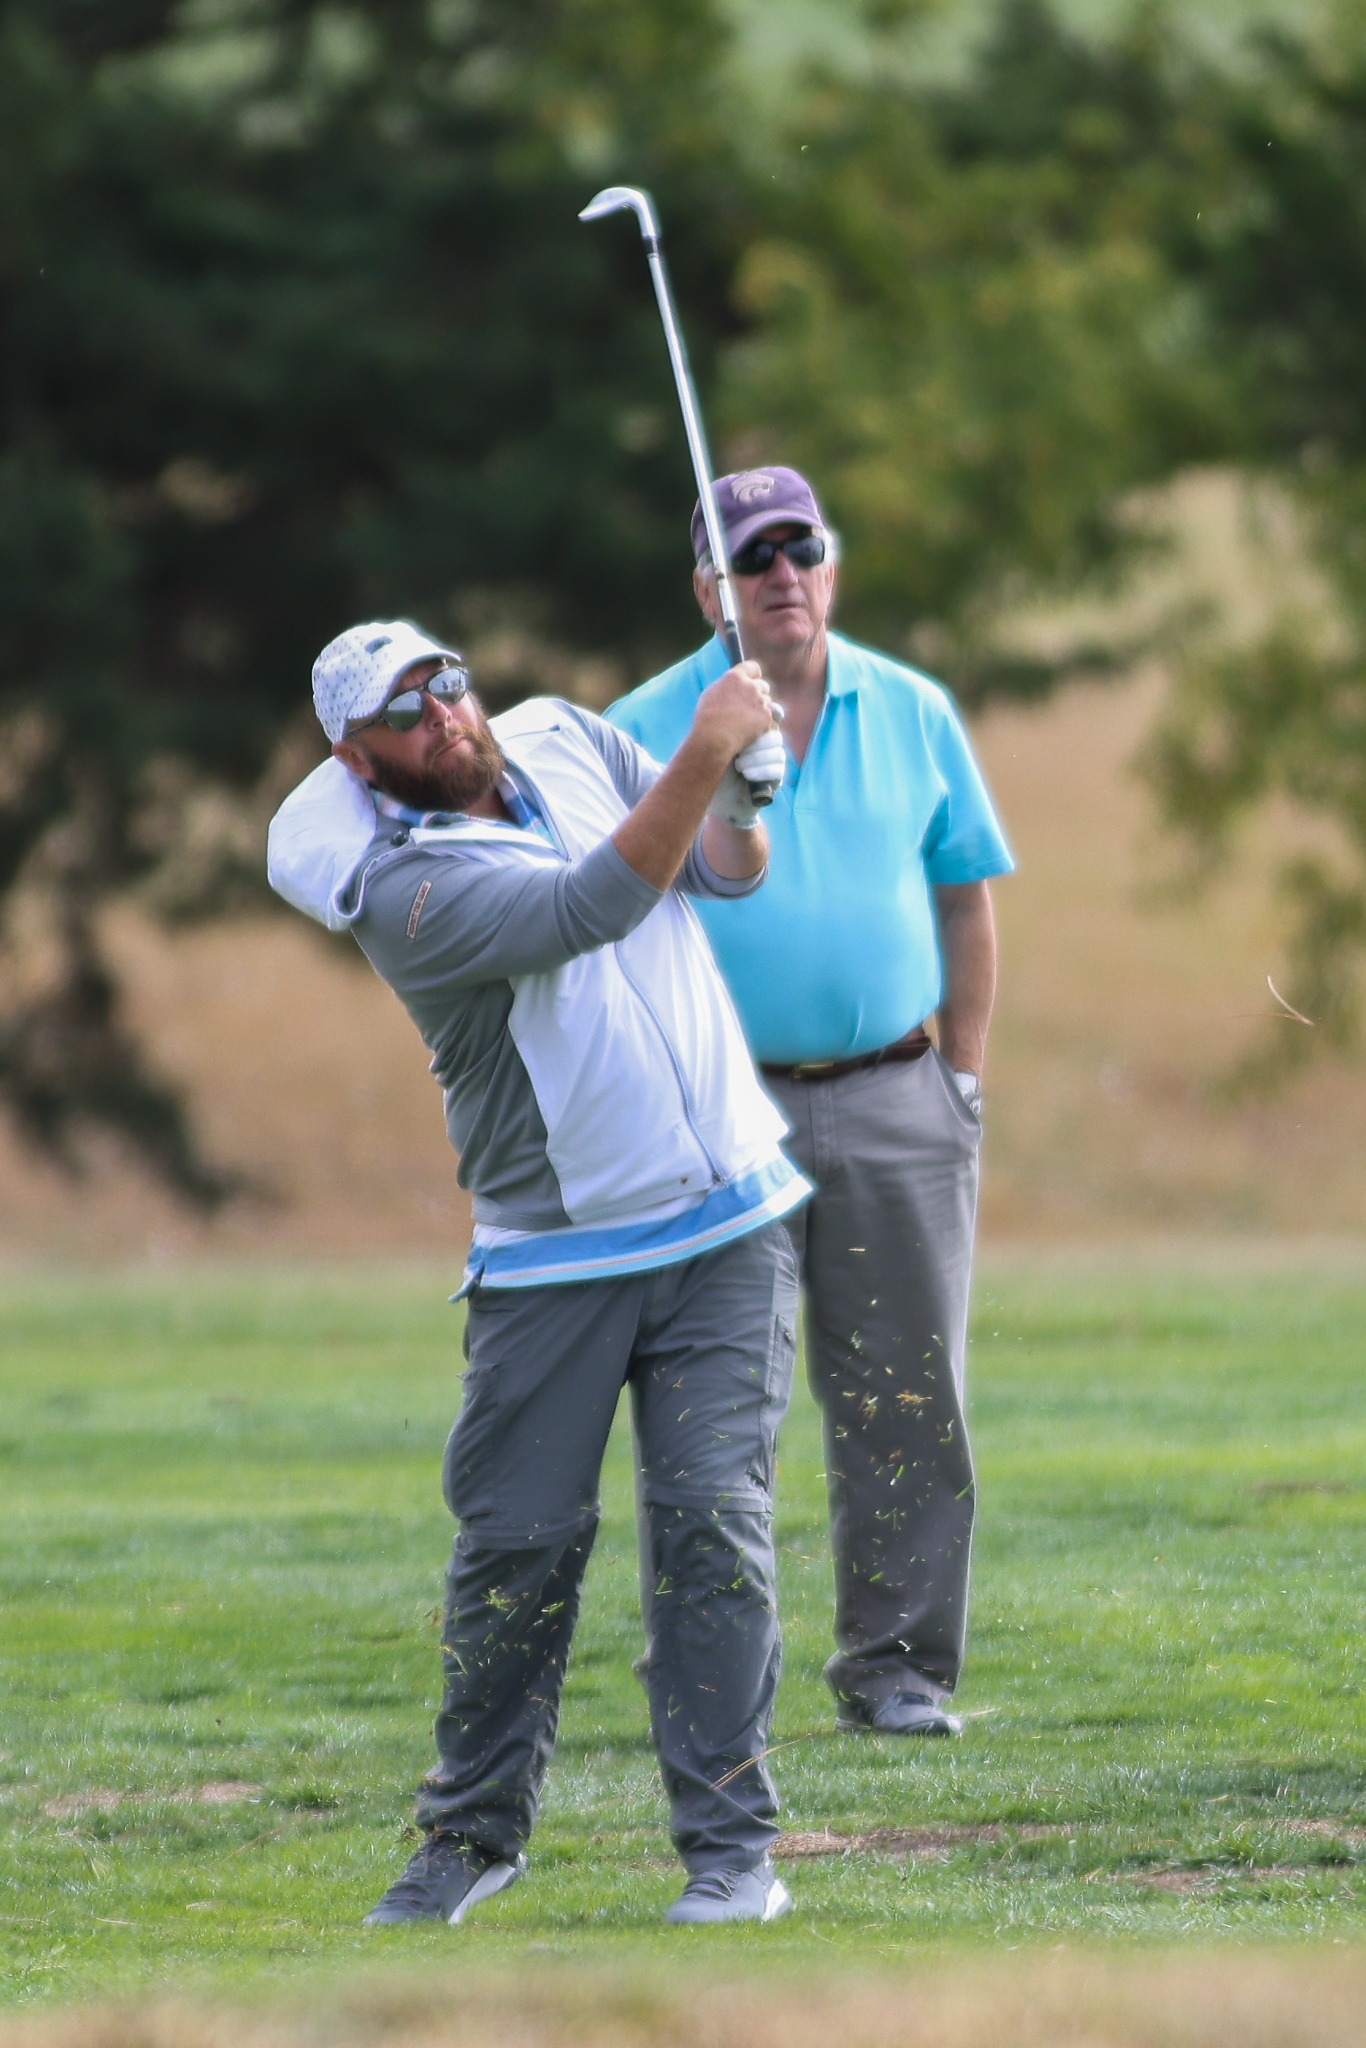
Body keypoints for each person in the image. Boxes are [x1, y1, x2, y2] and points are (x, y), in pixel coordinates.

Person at [267, 618, 806, 1927]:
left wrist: (744, 796)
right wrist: (709, 747)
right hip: (555, 1256)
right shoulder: (403, 891)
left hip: (728, 1220)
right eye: (406, 710)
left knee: (713, 1528)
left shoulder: (561, 732)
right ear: (358, 760)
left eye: (447, 680)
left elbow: (713, 869)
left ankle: (732, 1856)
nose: (445, 712)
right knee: (515, 1547)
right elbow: (589, 905)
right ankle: (471, 1835)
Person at [607, 469, 1014, 1740]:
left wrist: (961, 1072)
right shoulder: (643, 722)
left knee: (907, 1398)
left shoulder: (912, 707)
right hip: (716, 1114)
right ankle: (715, 1684)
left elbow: (963, 894)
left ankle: (897, 1672)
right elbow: (609, 912)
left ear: (829, 566)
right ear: (708, 591)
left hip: (899, 1095)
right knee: (715, 1410)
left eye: (801, 547)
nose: (781, 572)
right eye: (751, 556)